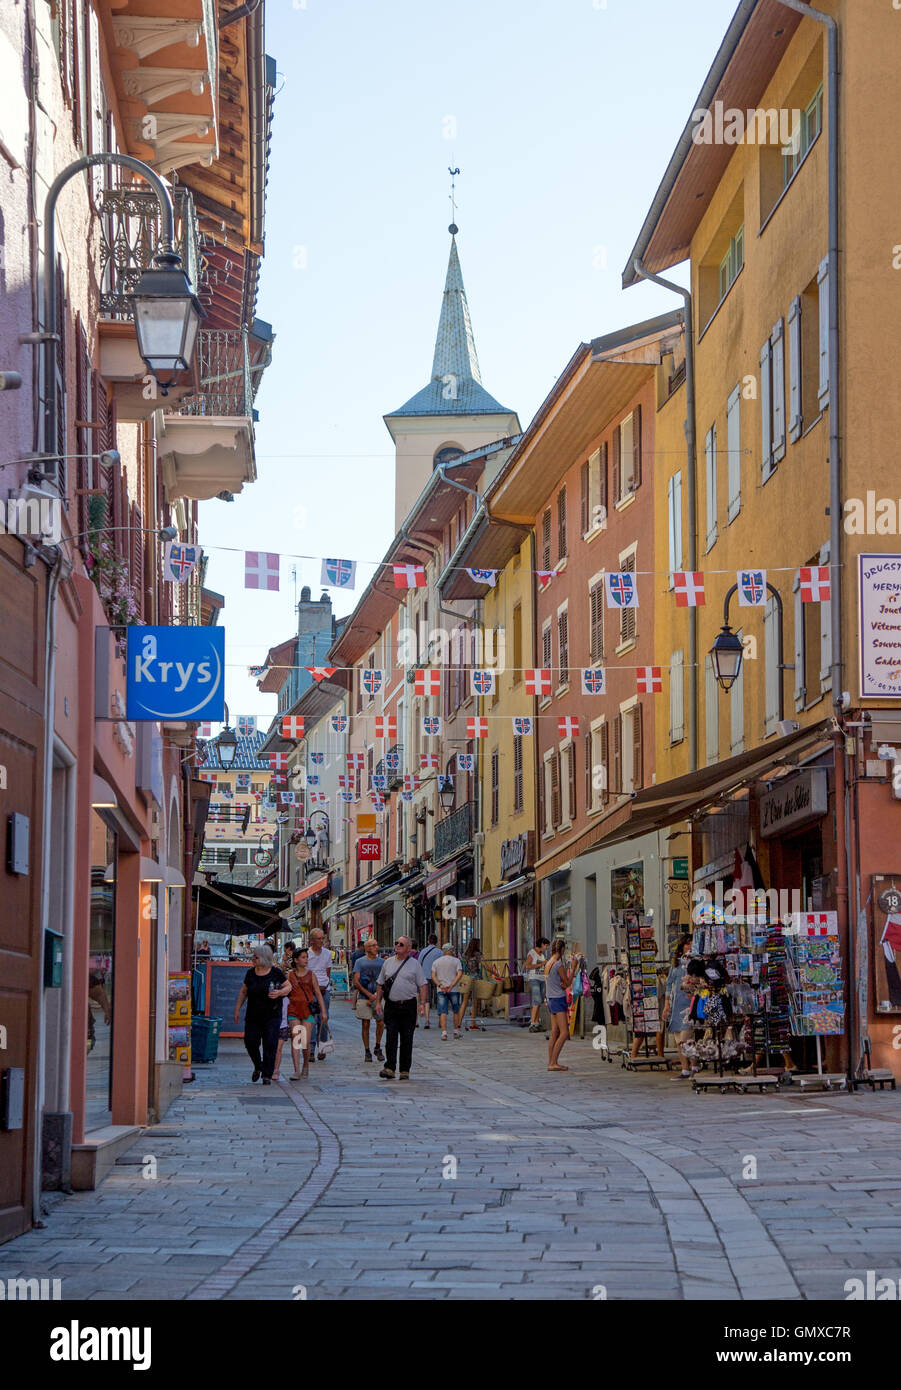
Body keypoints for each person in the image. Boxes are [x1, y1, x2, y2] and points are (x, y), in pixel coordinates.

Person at [375, 937, 428, 1080]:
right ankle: (390, 1067)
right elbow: (380, 984)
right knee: (391, 1036)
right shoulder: (387, 962)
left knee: (407, 1037)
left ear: (409, 948)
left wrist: (422, 1004)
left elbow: (422, 985)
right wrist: (378, 1003)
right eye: (396, 943)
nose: (397, 946)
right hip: (391, 1005)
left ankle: (405, 1069)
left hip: (408, 1005)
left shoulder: (415, 964)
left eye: (401, 944)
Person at [233, 944, 287, 1084]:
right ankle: (258, 1065)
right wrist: (237, 1009)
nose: (253, 959)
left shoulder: (276, 972)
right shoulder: (250, 973)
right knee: (250, 1042)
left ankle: (267, 1075)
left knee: (270, 1044)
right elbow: (243, 991)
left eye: (255, 957)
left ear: (263, 958)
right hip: (253, 1015)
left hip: (272, 1015)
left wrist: (280, 992)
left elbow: (289, 986)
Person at [285, 947, 326, 1080]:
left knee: (305, 1041)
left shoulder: (311, 975)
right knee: (296, 1039)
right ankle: (296, 1070)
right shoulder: (290, 975)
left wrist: (324, 1012)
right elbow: (285, 991)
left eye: (306, 957)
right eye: (303, 957)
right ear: (296, 960)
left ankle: (305, 1065)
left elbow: (318, 993)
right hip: (294, 1009)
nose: (306, 959)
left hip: (308, 1011)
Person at [661, 934, 697, 1078]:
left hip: (689, 1005)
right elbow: (669, 983)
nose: (688, 947)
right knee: (678, 1040)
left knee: (686, 1038)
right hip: (676, 1005)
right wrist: (666, 1005)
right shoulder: (675, 964)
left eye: (691, 944)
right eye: (686, 944)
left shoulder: (695, 962)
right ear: (682, 947)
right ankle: (685, 1069)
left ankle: (694, 1065)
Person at [544, 938, 581, 1072]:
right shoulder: (558, 964)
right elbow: (567, 983)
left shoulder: (549, 963)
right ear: (562, 949)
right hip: (558, 999)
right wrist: (574, 967)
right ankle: (553, 1062)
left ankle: (551, 1061)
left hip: (550, 999)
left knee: (555, 1031)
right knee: (564, 1033)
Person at [353, 936, 385, 1062]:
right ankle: (367, 1050)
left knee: (380, 1022)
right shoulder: (360, 962)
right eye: (373, 945)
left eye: (376, 945)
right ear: (366, 948)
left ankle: (377, 1046)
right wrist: (369, 995)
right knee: (365, 1023)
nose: (376, 947)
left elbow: (384, 980)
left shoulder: (382, 962)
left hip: (378, 997)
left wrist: (377, 996)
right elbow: (356, 981)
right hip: (364, 997)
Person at [307, 927, 333, 1062]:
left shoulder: (327, 953)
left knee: (324, 1017)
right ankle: (311, 1049)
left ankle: (322, 1047)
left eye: (323, 938)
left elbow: (327, 972)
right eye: (319, 938)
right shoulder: (306, 954)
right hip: (311, 990)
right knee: (312, 1019)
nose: (322, 941)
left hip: (324, 989)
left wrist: (325, 985)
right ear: (311, 940)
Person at [272, 943, 296, 1081]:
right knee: (272, 1046)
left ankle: (276, 1069)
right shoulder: (281, 959)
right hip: (271, 1020)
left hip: (283, 1022)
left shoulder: (292, 962)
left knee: (279, 1046)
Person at [431, 942, 464, 1040]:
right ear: (451, 950)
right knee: (456, 1010)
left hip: (441, 989)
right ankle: (456, 1031)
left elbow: (433, 975)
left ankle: (444, 1032)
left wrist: (440, 985)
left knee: (443, 1011)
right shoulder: (456, 961)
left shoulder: (436, 962)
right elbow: (459, 974)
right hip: (453, 989)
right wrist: (452, 985)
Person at [525, 937, 550, 1033]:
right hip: (534, 979)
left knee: (539, 1002)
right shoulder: (532, 953)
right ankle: (532, 1023)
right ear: (542, 944)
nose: (547, 947)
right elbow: (527, 966)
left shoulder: (542, 955)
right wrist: (541, 964)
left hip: (542, 979)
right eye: (546, 945)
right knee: (537, 1000)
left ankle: (536, 1022)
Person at [417, 934, 442, 1029]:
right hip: (437, 978)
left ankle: (427, 1021)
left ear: (428, 941)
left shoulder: (423, 951)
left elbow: (419, 964)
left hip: (425, 978)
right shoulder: (439, 952)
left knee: (427, 1000)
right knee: (439, 998)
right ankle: (440, 1020)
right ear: (436, 941)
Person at [462, 937, 484, 1030]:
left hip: (466, 979)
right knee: (474, 1001)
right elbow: (484, 965)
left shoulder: (465, 955)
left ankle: (458, 1022)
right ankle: (472, 1022)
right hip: (475, 979)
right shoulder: (477, 954)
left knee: (465, 1001)